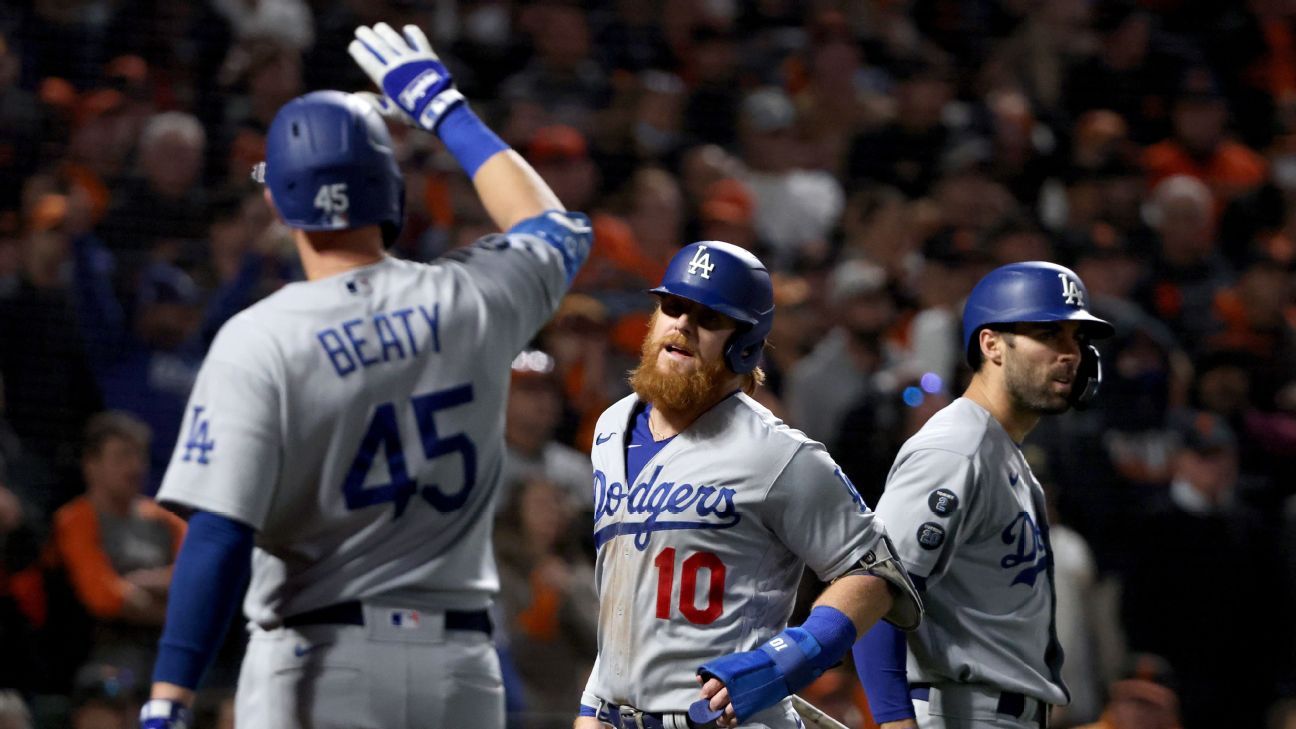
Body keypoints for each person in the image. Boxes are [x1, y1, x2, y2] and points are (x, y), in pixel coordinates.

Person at [137, 22, 591, 729]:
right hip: (460, 669)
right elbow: (552, 226)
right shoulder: (469, 299)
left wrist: (170, 693)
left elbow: (220, 534)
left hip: (320, 659)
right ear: (391, 192)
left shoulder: (260, 336)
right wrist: (443, 108)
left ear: (278, 203)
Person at [574, 241, 923, 729]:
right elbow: (624, 596)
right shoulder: (611, 427)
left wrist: (792, 655)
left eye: (709, 318)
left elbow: (877, 574)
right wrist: (593, 708)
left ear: (745, 344)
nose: (682, 325)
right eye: (673, 307)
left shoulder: (777, 453)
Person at [855, 261, 1116, 729]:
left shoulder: (1004, 455)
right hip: (959, 713)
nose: (1071, 354)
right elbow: (872, 590)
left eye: (1077, 339)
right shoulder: (956, 447)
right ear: (991, 344)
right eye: (1049, 334)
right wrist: (894, 721)